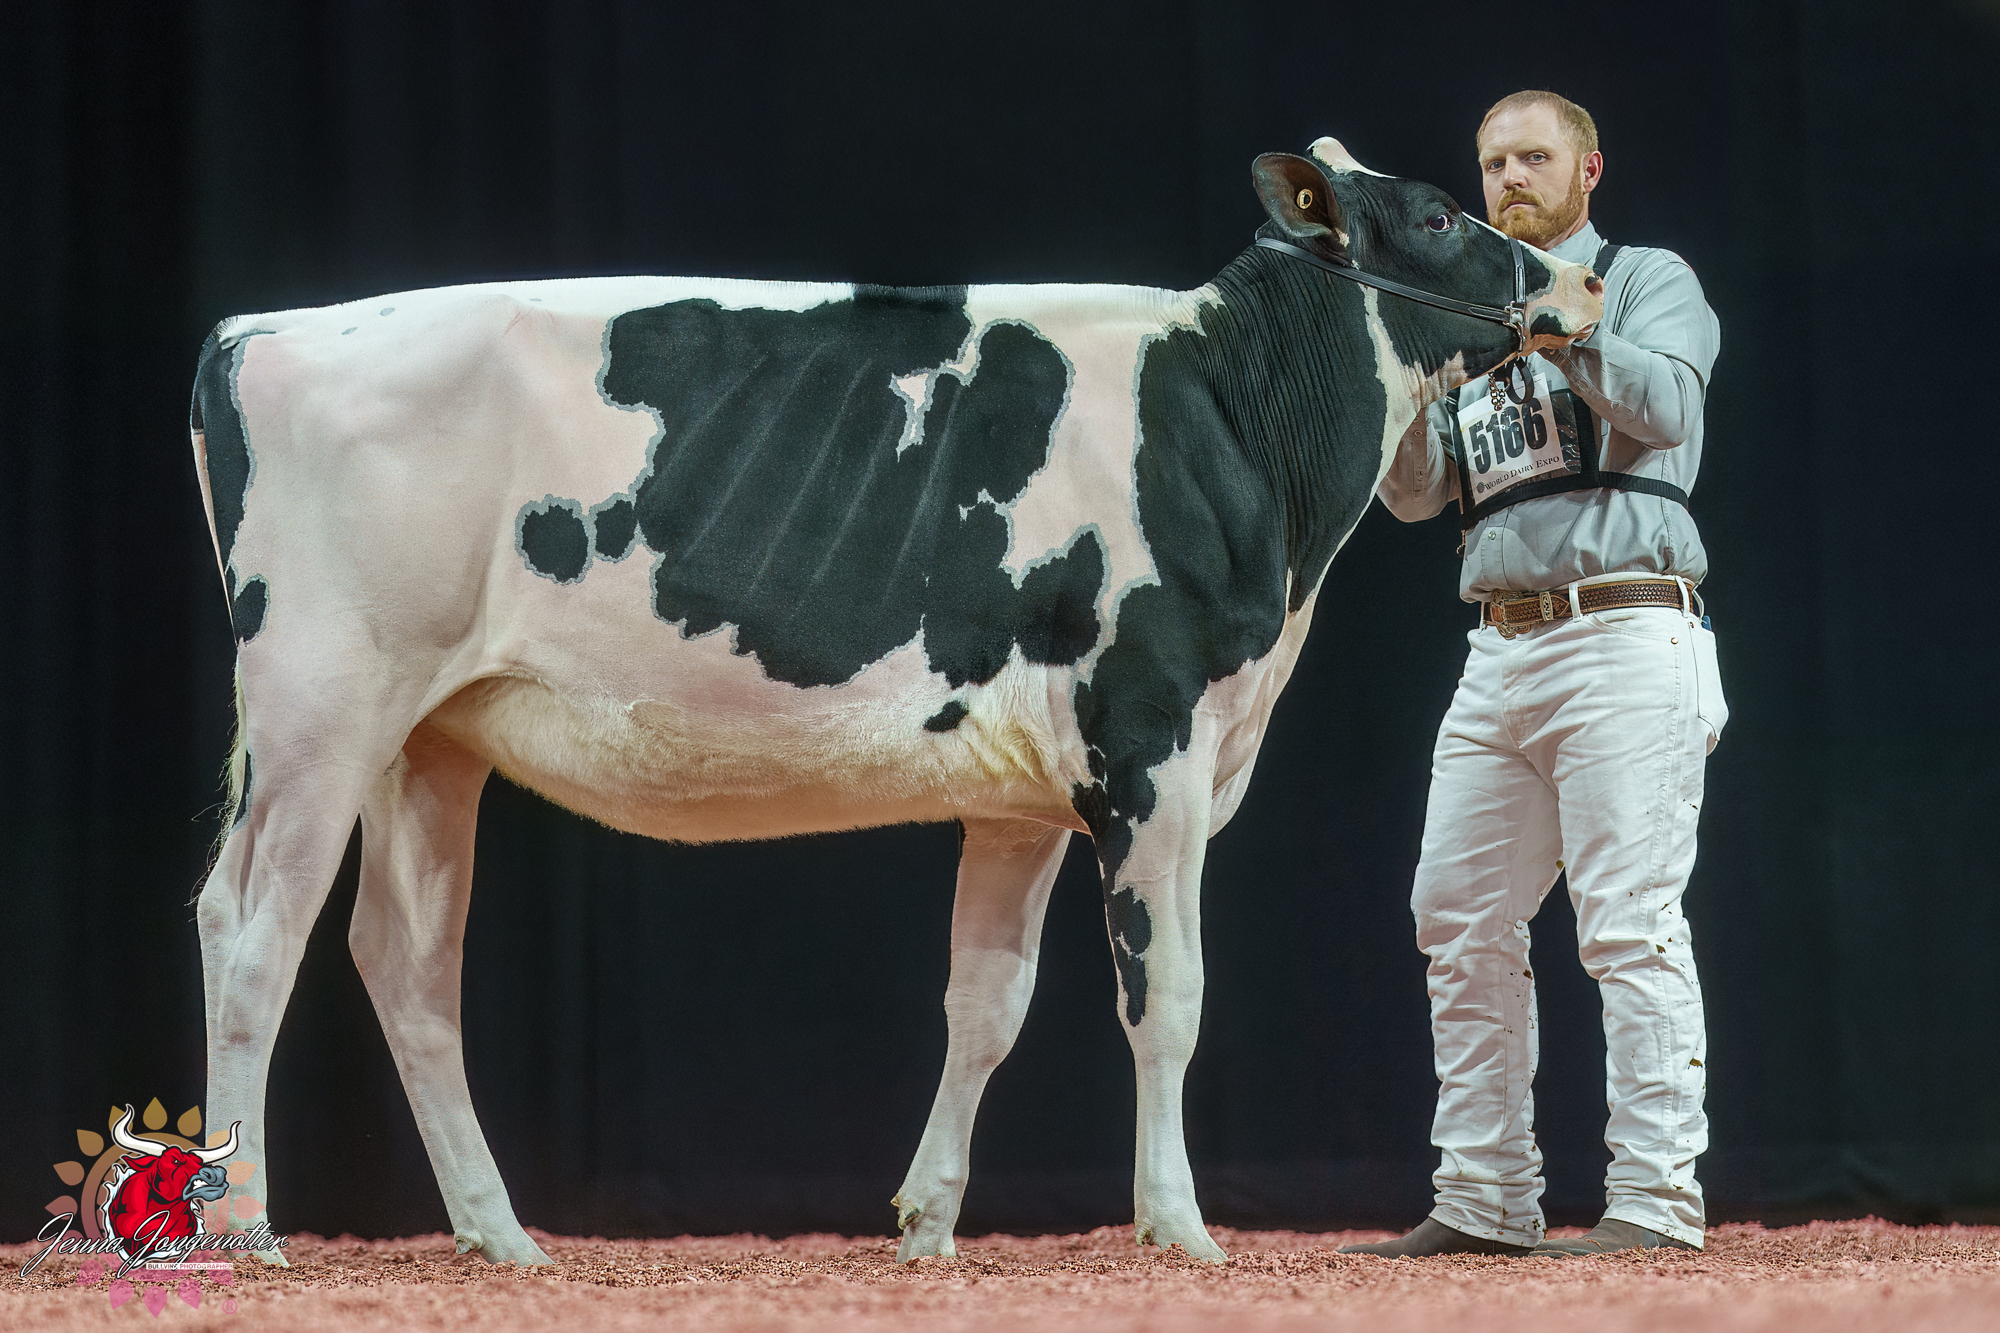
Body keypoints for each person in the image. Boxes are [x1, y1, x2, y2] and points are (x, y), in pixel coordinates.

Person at [1340, 90, 1724, 1258]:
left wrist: (1554, 322)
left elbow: (1664, 406)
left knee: (1627, 923)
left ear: (1585, 169)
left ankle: (1654, 1199)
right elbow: (1417, 494)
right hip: (1500, 645)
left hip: (1624, 627)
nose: (1507, 177)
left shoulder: (1645, 277)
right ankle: (1483, 1197)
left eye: (1531, 157)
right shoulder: (1470, 320)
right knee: (1453, 916)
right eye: (1491, 162)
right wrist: (1400, 367)